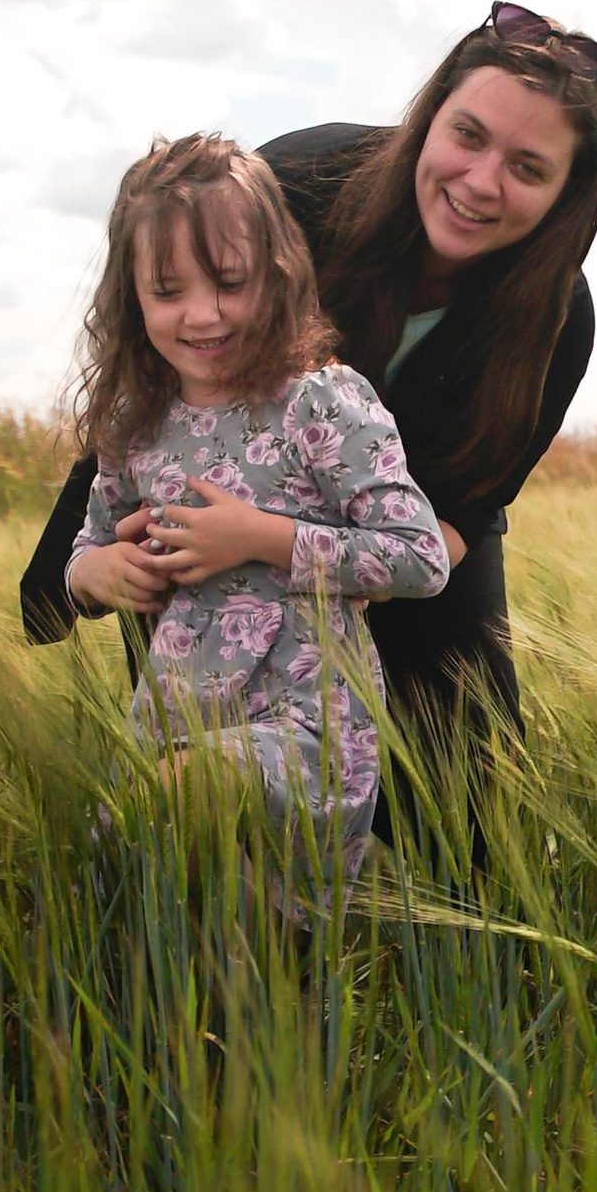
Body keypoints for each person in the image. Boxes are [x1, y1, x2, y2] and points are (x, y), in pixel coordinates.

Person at [23, 5, 597, 787]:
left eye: (528, 166)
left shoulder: (557, 320)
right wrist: (76, 575)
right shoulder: (302, 181)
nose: (480, 181)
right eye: (467, 134)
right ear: (429, 114)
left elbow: (461, 514)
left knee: (468, 797)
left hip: (404, 527)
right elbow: (165, 374)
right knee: (193, 779)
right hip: (215, 496)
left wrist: (331, 565)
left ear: (565, 195)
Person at [60, 132, 449, 885]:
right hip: (178, 718)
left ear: (277, 273)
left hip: (308, 724)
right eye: (169, 292)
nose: (203, 314)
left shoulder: (322, 401)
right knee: (165, 900)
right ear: (132, 296)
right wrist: (97, 573)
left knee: (186, 803)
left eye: (230, 281)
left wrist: (261, 537)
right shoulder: (135, 422)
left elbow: (419, 555)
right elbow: (92, 543)